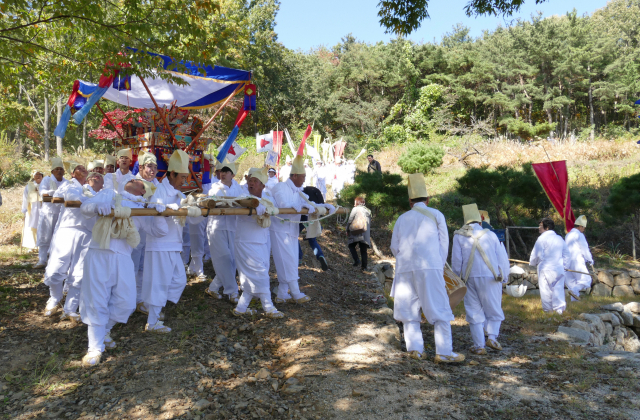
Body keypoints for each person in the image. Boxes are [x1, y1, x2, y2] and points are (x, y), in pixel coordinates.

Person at [79, 179, 168, 367]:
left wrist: (159, 213)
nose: (135, 182)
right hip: (99, 253)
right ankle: (94, 348)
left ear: (143, 191)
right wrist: (97, 205)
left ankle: (104, 331)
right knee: (97, 300)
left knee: (126, 303)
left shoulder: (142, 208)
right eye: (134, 180)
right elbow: (85, 208)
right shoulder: (109, 194)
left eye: (141, 183)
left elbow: (159, 231)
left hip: (123, 258)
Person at [390, 173, 464, 363]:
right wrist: (438, 266)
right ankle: (444, 352)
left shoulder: (401, 219)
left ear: (410, 201)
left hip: (405, 269)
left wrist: (406, 260)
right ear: (428, 199)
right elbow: (444, 244)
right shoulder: (436, 214)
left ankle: (416, 350)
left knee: (409, 311)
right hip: (430, 267)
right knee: (439, 308)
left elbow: (394, 247)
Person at [141, 150, 201, 333]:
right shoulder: (159, 190)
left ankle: (154, 309)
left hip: (173, 245)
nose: (184, 181)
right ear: (172, 174)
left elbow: (191, 218)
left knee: (178, 281)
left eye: (186, 177)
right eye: (182, 177)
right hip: (160, 245)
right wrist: (172, 209)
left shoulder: (177, 193)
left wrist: (192, 207)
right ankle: (152, 321)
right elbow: (155, 213)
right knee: (159, 283)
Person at [43, 164, 100, 321]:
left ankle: (70, 308)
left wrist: (96, 197)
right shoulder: (69, 186)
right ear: (73, 174)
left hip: (87, 233)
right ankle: (54, 298)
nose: (82, 169)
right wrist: (93, 198)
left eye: (84, 168)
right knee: (55, 267)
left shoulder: (101, 192)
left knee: (79, 271)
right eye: (78, 168)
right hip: (67, 229)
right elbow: (73, 199)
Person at [451, 204, 510, 355]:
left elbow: (457, 262)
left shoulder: (459, 235)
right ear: (479, 221)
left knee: (473, 310)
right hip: (491, 276)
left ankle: (479, 346)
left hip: (469, 277)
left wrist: (458, 279)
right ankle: (492, 337)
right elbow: (501, 258)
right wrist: (504, 276)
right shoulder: (491, 235)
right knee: (494, 308)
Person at [232, 167, 284, 318]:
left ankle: (240, 308)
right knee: (260, 275)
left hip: (261, 242)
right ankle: (268, 307)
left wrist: (266, 207)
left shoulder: (267, 198)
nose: (251, 183)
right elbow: (244, 202)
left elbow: (275, 208)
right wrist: (255, 205)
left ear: (263, 185)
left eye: (255, 181)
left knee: (253, 275)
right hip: (245, 242)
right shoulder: (242, 195)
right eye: (250, 180)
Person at [270, 155, 318, 304]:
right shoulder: (280, 187)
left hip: (292, 231)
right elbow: (284, 205)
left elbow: (310, 204)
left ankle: (282, 294)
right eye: (303, 176)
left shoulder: (299, 191)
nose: (304, 179)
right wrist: (302, 207)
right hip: (279, 230)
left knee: (290, 261)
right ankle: (296, 293)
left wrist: (325, 207)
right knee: (287, 261)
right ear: (295, 175)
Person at [205, 160, 243, 300]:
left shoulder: (239, 189)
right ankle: (232, 292)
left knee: (232, 259)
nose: (223, 173)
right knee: (224, 258)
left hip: (233, 227)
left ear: (232, 174)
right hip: (217, 227)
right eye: (221, 171)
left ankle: (213, 287)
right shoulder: (214, 188)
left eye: (226, 171)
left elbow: (245, 200)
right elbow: (213, 201)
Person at [131, 152, 160, 311]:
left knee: (146, 266)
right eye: (150, 166)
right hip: (135, 233)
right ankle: (128, 299)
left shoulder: (158, 184)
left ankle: (141, 299)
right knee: (132, 265)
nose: (153, 170)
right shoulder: (132, 183)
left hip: (151, 234)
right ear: (141, 167)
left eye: (155, 167)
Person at [529, 217, 570, 314]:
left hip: (545, 268)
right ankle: (559, 311)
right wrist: (564, 267)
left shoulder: (541, 238)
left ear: (547, 228)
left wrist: (532, 263)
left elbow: (536, 254)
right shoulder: (559, 238)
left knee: (546, 291)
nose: (539, 227)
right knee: (558, 290)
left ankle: (548, 312)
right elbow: (567, 255)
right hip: (558, 269)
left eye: (540, 226)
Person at [35, 158, 69, 268]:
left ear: (64, 171)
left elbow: (68, 197)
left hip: (62, 214)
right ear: (52, 171)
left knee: (59, 237)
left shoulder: (66, 182)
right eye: (56, 169)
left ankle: (55, 260)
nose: (59, 171)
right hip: (48, 212)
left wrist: (53, 196)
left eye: (61, 169)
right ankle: (42, 260)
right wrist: (58, 195)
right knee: (45, 236)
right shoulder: (46, 180)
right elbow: (44, 195)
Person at [298, 186, 334, 271]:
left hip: (304, 215)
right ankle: (320, 255)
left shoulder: (303, 192)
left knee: (295, 235)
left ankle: (299, 257)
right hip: (315, 215)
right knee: (312, 239)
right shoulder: (316, 191)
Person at [564, 216, 594, 301]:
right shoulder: (579, 235)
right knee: (586, 279)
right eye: (583, 227)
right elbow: (585, 249)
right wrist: (590, 260)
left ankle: (574, 302)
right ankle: (574, 291)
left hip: (567, 262)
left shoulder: (568, 235)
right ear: (580, 226)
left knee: (572, 282)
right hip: (577, 260)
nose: (584, 229)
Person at [347, 196, 371, 271]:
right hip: (365, 233)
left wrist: (347, 230)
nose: (354, 205)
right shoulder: (368, 211)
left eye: (355, 203)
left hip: (356, 232)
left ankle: (357, 260)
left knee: (351, 246)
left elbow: (350, 220)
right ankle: (364, 267)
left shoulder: (356, 209)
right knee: (363, 250)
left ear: (357, 202)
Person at [21, 170, 44, 250]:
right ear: (33, 176)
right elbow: (25, 197)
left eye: (39, 174)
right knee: (32, 226)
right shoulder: (29, 185)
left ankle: (42, 245)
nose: (38, 176)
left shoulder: (45, 185)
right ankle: (33, 244)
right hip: (32, 208)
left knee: (43, 226)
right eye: (36, 175)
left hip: (43, 207)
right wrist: (24, 208)